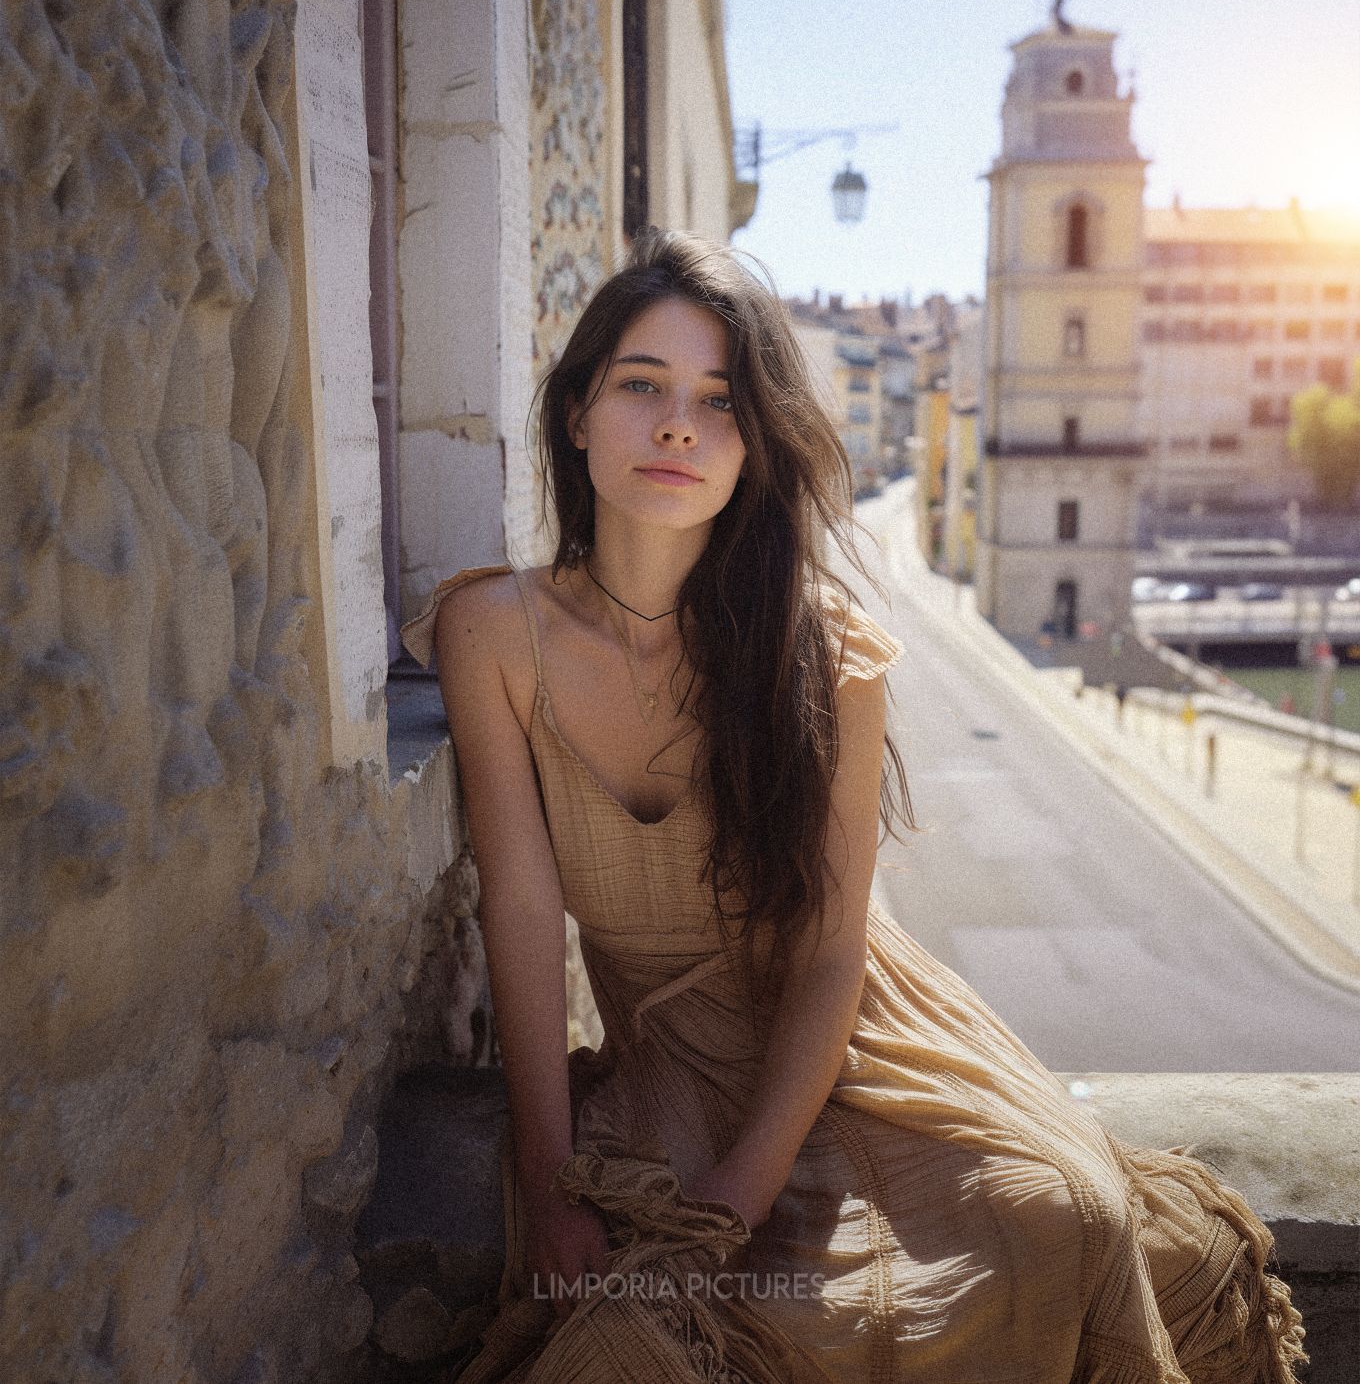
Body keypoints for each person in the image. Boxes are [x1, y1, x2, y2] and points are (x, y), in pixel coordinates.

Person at [401, 229, 1304, 1384]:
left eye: (719, 402)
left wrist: (743, 1187)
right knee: (652, 1338)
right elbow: (521, 911)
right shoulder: (496, 633)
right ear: (576, 414)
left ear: (752, 450)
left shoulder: (824, 651)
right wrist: (543, 1172)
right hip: (671, 1054)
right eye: (641, 386)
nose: (678, 424)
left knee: (1064, 1209)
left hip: (860, 1031)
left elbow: (829, 952)